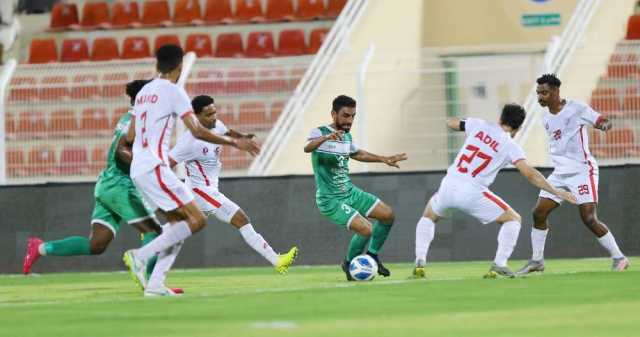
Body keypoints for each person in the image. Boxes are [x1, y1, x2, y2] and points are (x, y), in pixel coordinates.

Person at [122, 44, 260, 296]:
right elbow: (196, 130)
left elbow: (130, 135)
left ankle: (154, 286)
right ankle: (139, 256)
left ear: (157, 64)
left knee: (179, 226)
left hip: (139, 167)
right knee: (197, 220)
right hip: (154, 166)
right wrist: (234, 142)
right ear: (179, 66)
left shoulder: (143, 92)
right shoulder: (174, 91)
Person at [22, 80, 182, 292]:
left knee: (96, 244)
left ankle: (40, 248)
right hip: (120, 186)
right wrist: (148, 167)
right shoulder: (136, 121)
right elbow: (120, 152)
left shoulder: (131, 118)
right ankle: (153, 283)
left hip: (108, 184)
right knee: (156, 231)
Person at [412, 104, 577, 279]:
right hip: (472, 191)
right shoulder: (510, 146)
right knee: (513, 219)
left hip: (449, 184)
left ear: (500, 118)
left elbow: (452, 123)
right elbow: (530, 174)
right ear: (519, 127)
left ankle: (419, 263)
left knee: (429, 216)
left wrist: (461, 124)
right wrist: (557, 191)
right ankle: (500, 264)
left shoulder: (479, 125)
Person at [168, 95, 298, 273]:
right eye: (208, 114)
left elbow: (226, 132)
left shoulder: (216, 125)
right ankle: (277, 260)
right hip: (201, 191)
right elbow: (167, 163)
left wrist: (241, 136)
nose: (214, 117)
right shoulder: (188, 142)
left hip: (207, 190)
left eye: (214, 112)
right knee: (241, 219)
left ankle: (152, 237)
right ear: (196, 117)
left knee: (179, 228)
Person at [517, 74, 630, 275]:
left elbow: (600, 119)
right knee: (538, 213)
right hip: (560, 173)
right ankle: (537, 261)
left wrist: (604, 125)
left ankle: (619, 257)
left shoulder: (576, 108)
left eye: (544, 92)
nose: (540, 97)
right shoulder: (544, 118)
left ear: (555, 91)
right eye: (538, 93)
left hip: (582, 171)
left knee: (588, 218)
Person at [304, 95, 407, 281]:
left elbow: (357, 153)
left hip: (349, 192)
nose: (349, 121)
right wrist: (326, 138)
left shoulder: (346, 136)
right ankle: (349, 263)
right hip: (330, 199)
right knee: (366, 229)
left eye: (353, 116)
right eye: (345, 115)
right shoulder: (319, 132)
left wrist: (383, 159)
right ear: (334, 114)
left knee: (387, 215)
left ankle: (372, 256)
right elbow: (307, 147)